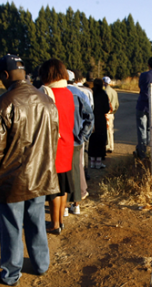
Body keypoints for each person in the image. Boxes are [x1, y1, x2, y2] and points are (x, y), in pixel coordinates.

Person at [0, 54, 59, 286]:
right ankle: (41, 265)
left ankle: (11, 274)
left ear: (6, 75)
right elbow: (53, 138)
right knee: (36, 221)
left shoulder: (2, 104)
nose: (1, 82)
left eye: (1, 78)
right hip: (40, 175)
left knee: (11, 227)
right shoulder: (47, 101)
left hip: (11, 178)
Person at [38, 59, 75, 234]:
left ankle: (54, 224)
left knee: (53, 189)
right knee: (63, 187)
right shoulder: (68, 93)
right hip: (67, 145)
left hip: (53, 148)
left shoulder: (46, 94)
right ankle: (60, 221)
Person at [65, 70, 94, 216]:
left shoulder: (55, 93)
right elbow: (90, 116)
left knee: (62, 173)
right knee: (77, 170)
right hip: (77, 139)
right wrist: (83, 136)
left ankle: (63, 206)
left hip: (61, 140)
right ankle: (76, 204)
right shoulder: (81, 93)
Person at [88, 78, 111, 169]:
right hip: (100, 120)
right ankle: (98, 162)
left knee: (92, 140)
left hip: (91, 119)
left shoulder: (91, 93)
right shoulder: (103, 94)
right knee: (100, 140)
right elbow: (106, 109)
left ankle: (92, 162)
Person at [103, 76, 119, 153]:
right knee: (110, 130)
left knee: (106, 130)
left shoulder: (105, 92)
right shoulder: (114, 92)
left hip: (105, 113)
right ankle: (111, 146)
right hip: (111, 113)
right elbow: (117, 105)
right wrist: (113, 112)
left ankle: (107, 145)